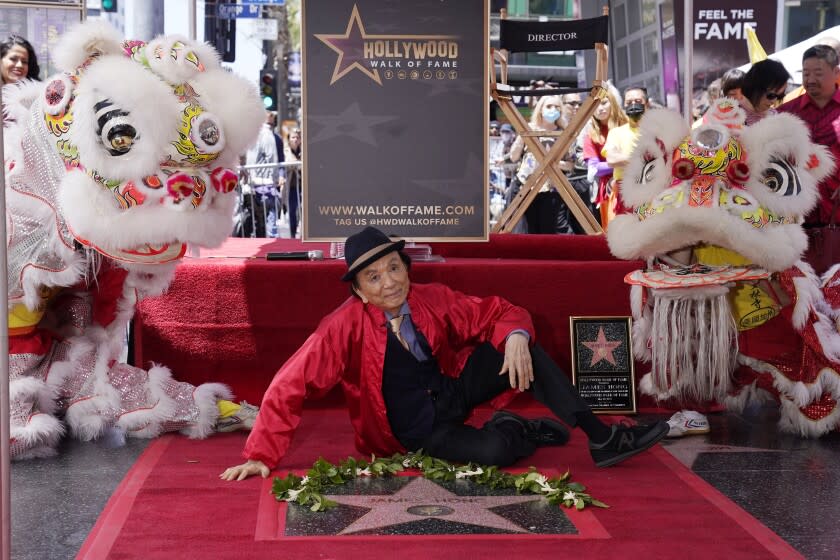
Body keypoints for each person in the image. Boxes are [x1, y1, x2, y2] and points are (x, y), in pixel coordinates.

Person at [221, 226, 669, 481]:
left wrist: (514, 335)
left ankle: (602, 437)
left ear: (406, 267)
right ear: (358, 290)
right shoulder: (341, 328)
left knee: (521, 345)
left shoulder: (431, 299)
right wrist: (260, 454)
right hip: (415, 432)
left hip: (452, 393)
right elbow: (289, 383)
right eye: (373, 278)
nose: (390, 283)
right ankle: (517, 429)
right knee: (495, 450)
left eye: (394, 268)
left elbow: (501, 311)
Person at [778, 44, 840, 225]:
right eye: (806, 73)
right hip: (794, 214)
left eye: (818, 73)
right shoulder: (786, 113)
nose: (811, 79)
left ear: (836, 72)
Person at [508, 95, 576, 233]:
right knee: (523, 231)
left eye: (557, 107)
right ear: (540, 109)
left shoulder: (565, 134)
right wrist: (522, 138)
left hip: (551, 190)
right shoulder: (529, 129)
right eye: (549, 106)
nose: (553, 110)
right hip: (526, 187)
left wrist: (552, 164)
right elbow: (514, 157)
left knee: (546, 232)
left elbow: (571, 165)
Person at [581, 83, 627, 228]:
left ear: (612, 101)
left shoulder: (628, 124)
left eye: (604, 103)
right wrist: (624, 161)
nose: (600, 109)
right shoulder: (591, 134)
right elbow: (594, 169)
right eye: (595, 105)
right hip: (608, 190)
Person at [603, 86, 649, 220]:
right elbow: (611, 159)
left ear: (647, 104)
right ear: (624, 105)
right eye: (629, 102)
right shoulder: (616, 133)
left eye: (638, 101)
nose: (633, 105)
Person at [245, 110, 281, 237]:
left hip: (254, 184)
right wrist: (275, 179)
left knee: (259, 222)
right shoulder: (266, 134)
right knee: (269, 221)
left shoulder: (252, 134)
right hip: (264, 184)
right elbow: (272, 158)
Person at [737, 59, 790, 125]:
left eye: (780, 96)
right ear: (755, 87)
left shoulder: (775, 116)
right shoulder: (727, 114)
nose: (774, 101)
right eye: (771, 95)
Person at [283, 127, 302, 238]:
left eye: (298, 137)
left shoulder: (303, 150)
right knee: (292, 211)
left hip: (303, 186)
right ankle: (292, 235)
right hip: (291, 187)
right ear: (289, 139)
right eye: (293, 137)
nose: (295, 139)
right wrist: (298, 163)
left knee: (303, 211)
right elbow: (289, 164)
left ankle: (303, 235)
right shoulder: (286, 151)